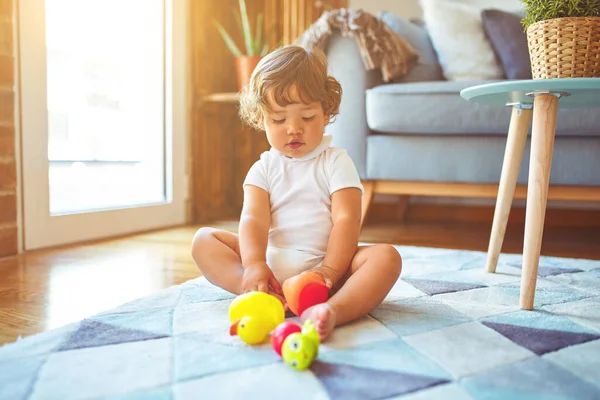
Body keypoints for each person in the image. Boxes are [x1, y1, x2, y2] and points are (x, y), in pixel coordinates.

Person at [191, 45, 402, 341]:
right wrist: (254, 265)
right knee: (204, 241)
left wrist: (329, 271)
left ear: (326, 113)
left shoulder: (336, 162)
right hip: (270, 268)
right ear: (260, 118)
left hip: (329, 274)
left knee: (386, 258)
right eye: (279, 120)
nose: (293, 129)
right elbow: (253, 220)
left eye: (307, 117)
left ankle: (331, 310)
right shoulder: (262, 170)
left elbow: (347, 220)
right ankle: (259, 292)